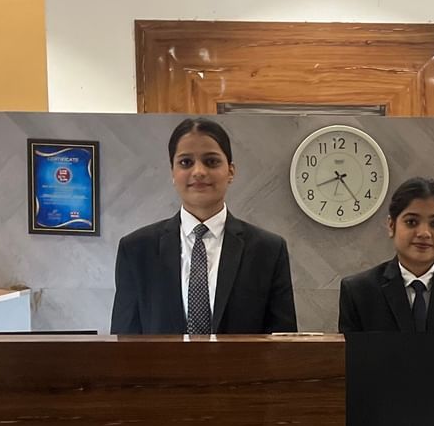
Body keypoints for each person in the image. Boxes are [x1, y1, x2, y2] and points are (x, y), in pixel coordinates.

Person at [110, 118, 296, 334]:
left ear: (231, 172)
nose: (198, 171)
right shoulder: (136, 250)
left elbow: (283, 344)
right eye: (186, 162)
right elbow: (124, 344)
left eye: (211, 161)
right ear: (172, 172)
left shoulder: (268, 250)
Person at [338, 177, 434, 333]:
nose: (424, 233)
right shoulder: (359, 292)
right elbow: (350, 357)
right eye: (412, 222)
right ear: (391, 225)